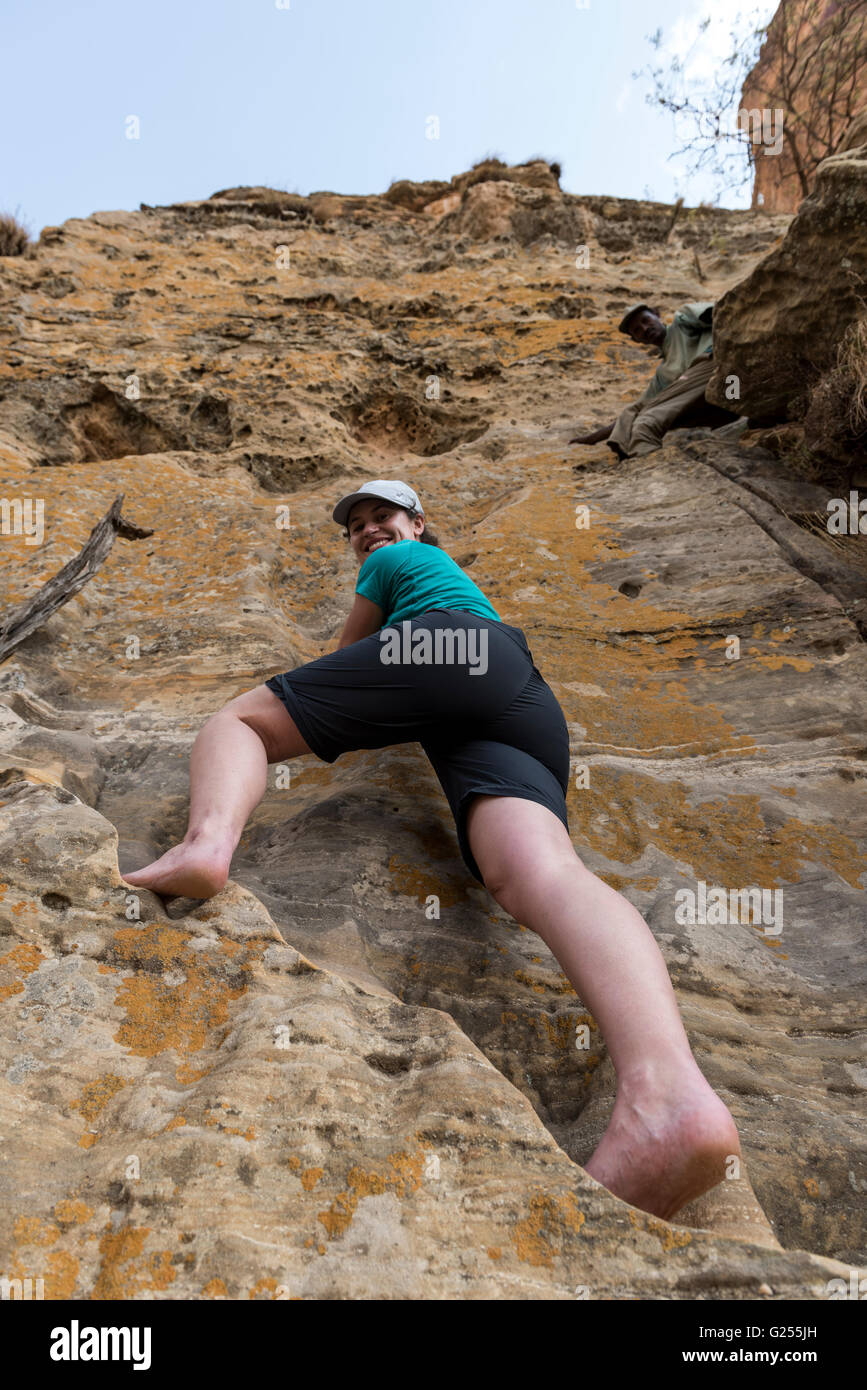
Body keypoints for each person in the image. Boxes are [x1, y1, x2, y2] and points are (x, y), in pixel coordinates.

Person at [122, 478, 740, 1222]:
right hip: (518, 689)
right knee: (535, 872)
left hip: (447, 650)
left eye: (380, 516)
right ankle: (669, 1098)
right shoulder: (454, 582)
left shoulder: (394, 564)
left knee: (241, 723)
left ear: (419, 523)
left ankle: (204, 845)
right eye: (355, 526)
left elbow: (350, 657)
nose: (366, 531)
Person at [571, 302, 737, 458]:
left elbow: (720, 312)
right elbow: (638, 408)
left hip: (729, 376)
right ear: (636, 340)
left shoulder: (681, 322)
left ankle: (653, 472)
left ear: (657, 315)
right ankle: (626, 451)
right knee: (640, 413)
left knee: (647, 422)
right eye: (637, 330)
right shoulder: (663, 374)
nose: (644, 328)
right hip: (723, 407)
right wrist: (592, 438)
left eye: (646, 320)